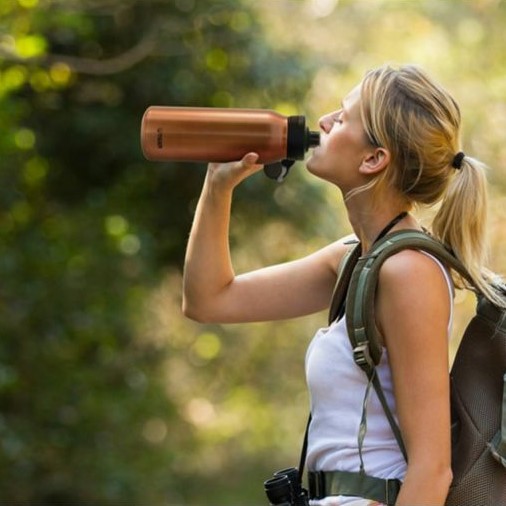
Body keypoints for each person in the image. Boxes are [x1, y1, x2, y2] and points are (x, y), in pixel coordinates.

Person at [181, 64, 502, 506]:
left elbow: (432, 470)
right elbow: (209, 300)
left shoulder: (409, 271)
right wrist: (218, 186)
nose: (325, 121)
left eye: (344, 116)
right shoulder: (354, 259)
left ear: (373, 159)